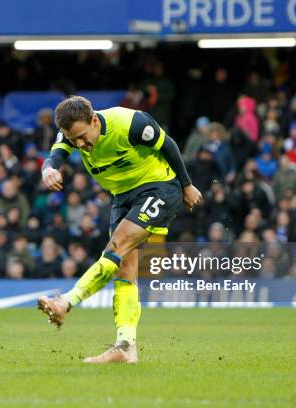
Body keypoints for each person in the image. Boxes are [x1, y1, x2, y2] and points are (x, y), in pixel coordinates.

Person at [38, 96, 202, 363]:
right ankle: (125, 347)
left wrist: (186, 185)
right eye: (74, 140)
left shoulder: (131, 123)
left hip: (158, 187)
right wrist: (49, 171)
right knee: (124, 270)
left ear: (93, 120)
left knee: (117, 246)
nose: (80, 145)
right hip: (122, 197)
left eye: (82, 137)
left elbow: (168, 145)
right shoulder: (70, 133)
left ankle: (66, 302)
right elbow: (54, 157)